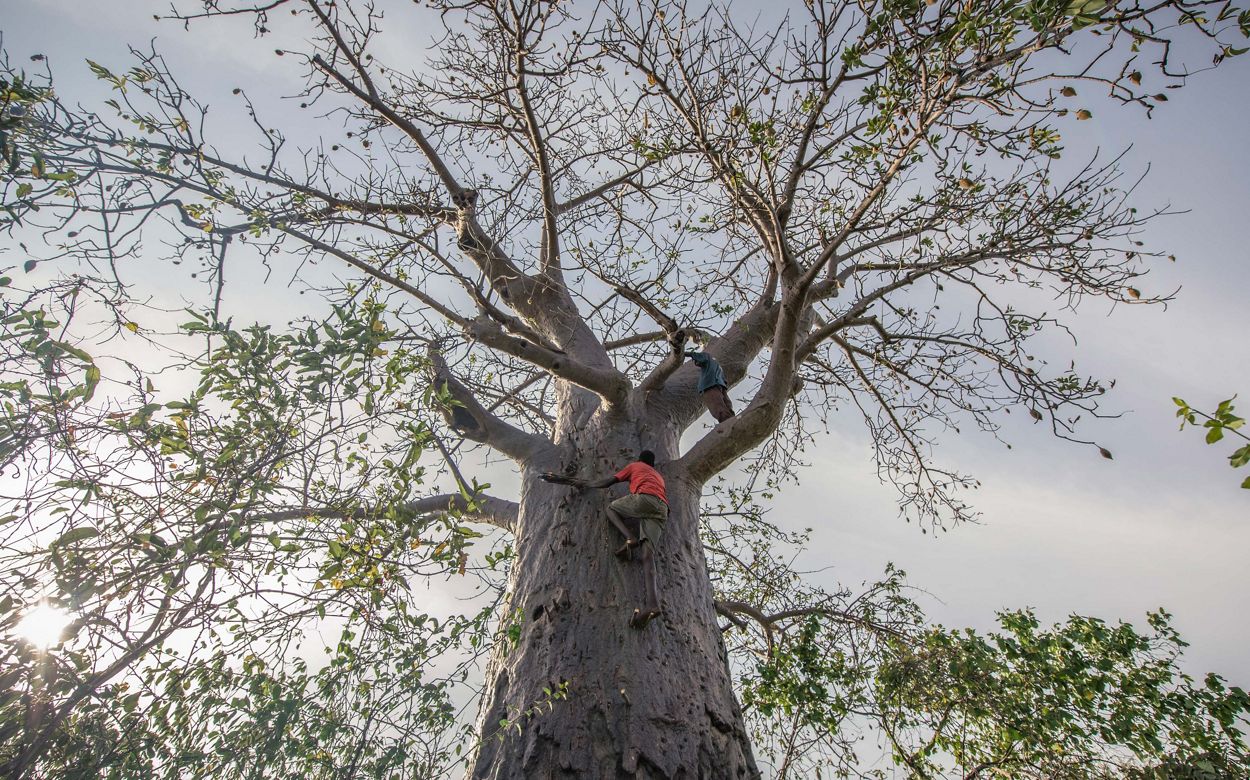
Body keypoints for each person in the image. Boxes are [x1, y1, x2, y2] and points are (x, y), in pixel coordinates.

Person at [541, 450, 667, 629]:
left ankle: (630, 538)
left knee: (611, 509)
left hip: (644, 499)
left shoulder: (635, 466)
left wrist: (579, 482)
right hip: (662, 509)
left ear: (640, 460)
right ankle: (652, 605)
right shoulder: (658, 476)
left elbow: (608, 482)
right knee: (648, 556)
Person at [679, 334, 735, 422]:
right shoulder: (717, 365)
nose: (696, 363)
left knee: (717, 406)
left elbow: (697, 356)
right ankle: (731, 418)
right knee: (727, 404)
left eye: (696, 362)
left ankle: (726, 421)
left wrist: (682, 353)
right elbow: (724, 379)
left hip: (709, 385)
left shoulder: (706, 357)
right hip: (720, 386)